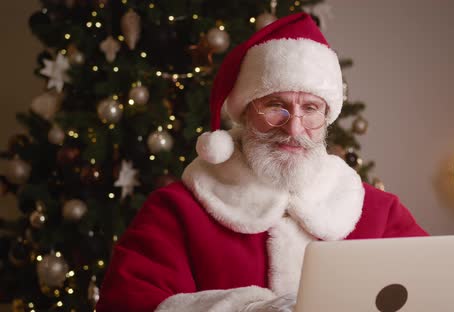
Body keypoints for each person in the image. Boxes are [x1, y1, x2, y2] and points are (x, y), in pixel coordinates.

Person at [96, 12, 427, 312]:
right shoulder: (176, 211)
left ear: (327, 118)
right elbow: (125, 304)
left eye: (310, 108)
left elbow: (436, 289)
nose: (294, 128)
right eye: (274, 106)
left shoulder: (380, 213)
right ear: (244, 112)